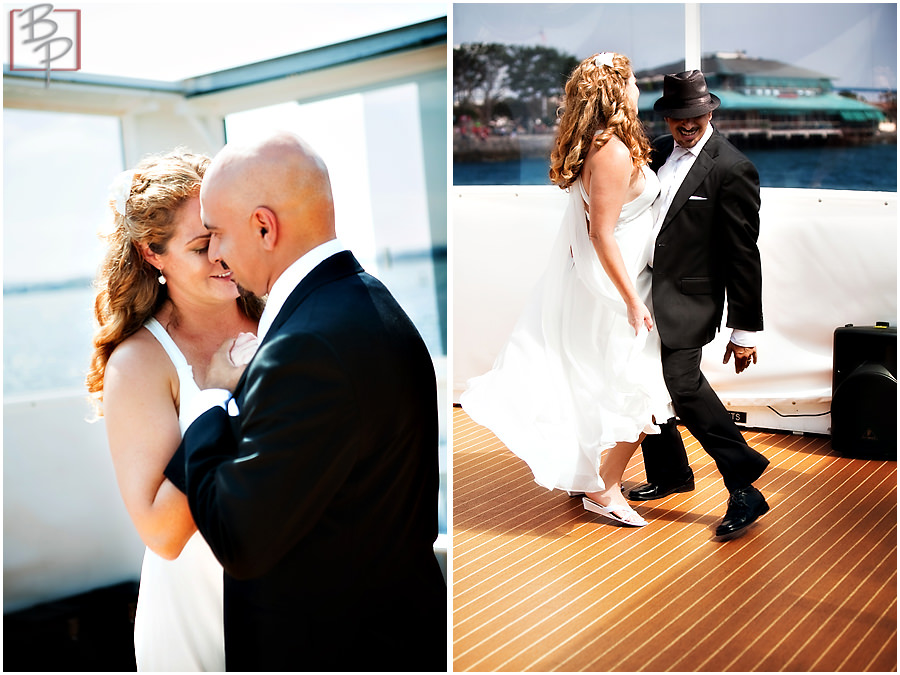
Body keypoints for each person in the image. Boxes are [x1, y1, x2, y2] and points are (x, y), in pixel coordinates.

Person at [162, 131, 446, 671]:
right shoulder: (375, 304)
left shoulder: (306, 347)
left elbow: (239, 538)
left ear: (265, 227)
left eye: (217, 233)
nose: (216, 252)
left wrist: (209, 401)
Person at [461, 52, 674, 527]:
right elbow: (601, 232)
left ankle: (595, 481)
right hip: (618, 289)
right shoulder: (614, 151)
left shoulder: (604, 144)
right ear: (616, 90)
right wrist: (632, 300)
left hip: (613, 280)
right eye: (634, 81)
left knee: (614, 384)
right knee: (640, 387)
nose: (641, 89)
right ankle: (605, 489)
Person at [87, 150, 264, 671]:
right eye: (202, 245)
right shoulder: (139, 362)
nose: (223, 256)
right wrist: (216, 397)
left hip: (297, 593)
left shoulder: (280, 311)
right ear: (152, 253)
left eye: (228, 234)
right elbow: (162, 534)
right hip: (202, 607)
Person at [628, 70, 770, 539]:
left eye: (695, 114)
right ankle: (671, 473)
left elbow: (743, 254)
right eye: (677, 115)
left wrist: (744, 330)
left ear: (710, 112)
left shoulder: (732, 167)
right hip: (642, 293)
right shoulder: (656, 150)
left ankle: (743, 482)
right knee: (642, 376)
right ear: (667, 116)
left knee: (683, 386)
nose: (686, 124)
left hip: (691, 299)